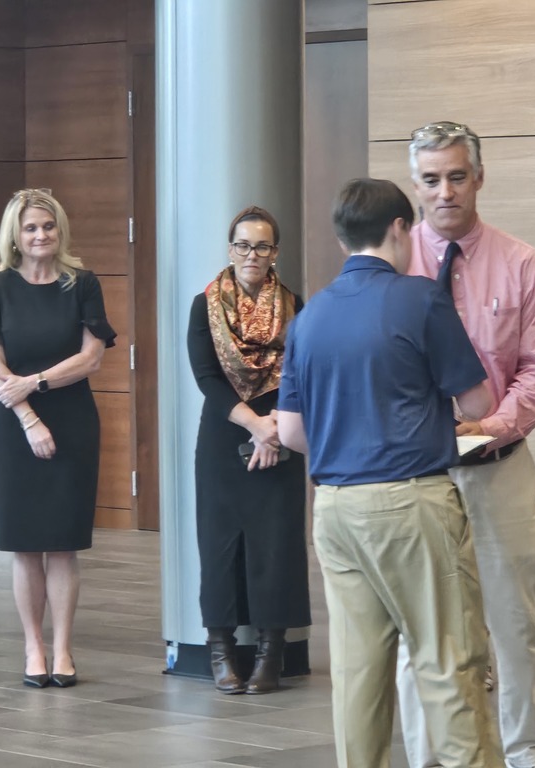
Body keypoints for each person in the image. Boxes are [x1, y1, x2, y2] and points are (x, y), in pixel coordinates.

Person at [277, 178, 503, 768]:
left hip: (334, 510)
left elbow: (290, 433)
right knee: (448, 659)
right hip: (411, 505)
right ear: (401, 229)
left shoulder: (310, 316)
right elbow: (478, 404)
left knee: (357, 673)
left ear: (341, 238)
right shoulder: (420, 297)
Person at [397, 121, 535, 768]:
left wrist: (488, 427)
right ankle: (428, 759)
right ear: (415, 186)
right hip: (419, 475)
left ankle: (528, 754)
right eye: (431, 180)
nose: (445, 192)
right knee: (424, 635)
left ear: (479, 178)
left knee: (518, 626)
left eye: (457, 177)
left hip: (500, 470)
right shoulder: (393, 265)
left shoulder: (521, 264)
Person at [0, 188, 116, 688]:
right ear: (16, 235)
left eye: (48, 227)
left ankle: (64, 649)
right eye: (30, 228)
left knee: (64, 544)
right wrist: (28, 414)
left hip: (72, 419)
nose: (40, 235)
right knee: (26, 544)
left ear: (60, 231)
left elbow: (92, 356)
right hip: (13, 427)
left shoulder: (83, 283)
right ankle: (33, 647)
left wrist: (40, 382)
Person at [186, 205, 311, 695]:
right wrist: (254, 424)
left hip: (280, 434)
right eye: (242, 245)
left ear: (275, 252)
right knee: (220, 545)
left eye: (261, 246)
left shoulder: (295, 305)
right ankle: (221, 651)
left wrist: (273, 429)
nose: (251, 255)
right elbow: (206, 378)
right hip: (224, 436)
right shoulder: (206, 305)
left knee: (275, 545)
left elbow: (301, 374)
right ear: (230, 248)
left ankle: (270, 654)